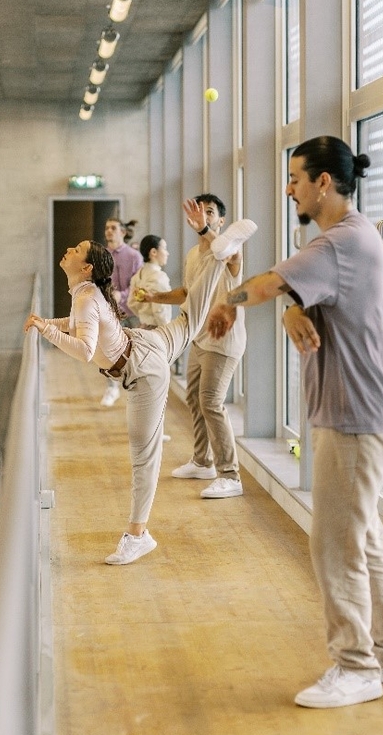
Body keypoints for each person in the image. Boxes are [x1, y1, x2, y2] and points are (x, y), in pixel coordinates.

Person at [206, 136, 383, 709]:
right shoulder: (352, 239)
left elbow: (269, 281)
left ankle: (356, 667)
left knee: (334, 545)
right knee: (363, 534)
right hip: (357, 411)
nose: (290, 187)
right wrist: (295, 308)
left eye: (296, 178)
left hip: (352, 416)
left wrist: (230, 300)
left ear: (324, 182)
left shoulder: (340, 241)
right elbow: (300, 291)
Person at [26, 203, 257, 565]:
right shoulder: (85, 292)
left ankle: (138, 534)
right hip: (144, 344)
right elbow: (81, 323)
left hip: (143, 368)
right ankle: (219, 256)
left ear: (85, 267)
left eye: (76, 250)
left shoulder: (85, 295)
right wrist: (48, 322)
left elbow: (85, 350)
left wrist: (47, 331)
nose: (68, 250)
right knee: (191, 315)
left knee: (143, 457)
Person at [140, 194, 247, 500]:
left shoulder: (230, 250)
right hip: (199, 338)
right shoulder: (191, 255)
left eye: (210, 212)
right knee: (194, 398)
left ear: (220, 220)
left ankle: (231, 475)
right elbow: (188, 292)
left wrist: (204, 231)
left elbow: (227, 255)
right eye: (200, 212)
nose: (205, 216)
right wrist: (154, 298)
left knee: (211, 401)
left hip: (224, 341)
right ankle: (203, 461)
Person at [100, 217, 144, 408]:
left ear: (122, 232)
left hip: (132, 311)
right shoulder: (102, 256)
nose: (109, 231)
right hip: (111, 313)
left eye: (113, 228)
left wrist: (122, 295)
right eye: (107, 228)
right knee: (107, 350)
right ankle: (111, 387)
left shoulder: (134, 256)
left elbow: (139, 284)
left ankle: (139, 390)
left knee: (138, 351)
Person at [129, 235, 172, 328]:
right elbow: (159, 309)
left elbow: (131, 303)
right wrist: (167, 329)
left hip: (143, 326)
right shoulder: (159, 277)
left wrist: (144, 317)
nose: (167, 253)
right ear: (154, 252)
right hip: (158, 328)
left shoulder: (137, 276)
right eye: (164, 249)